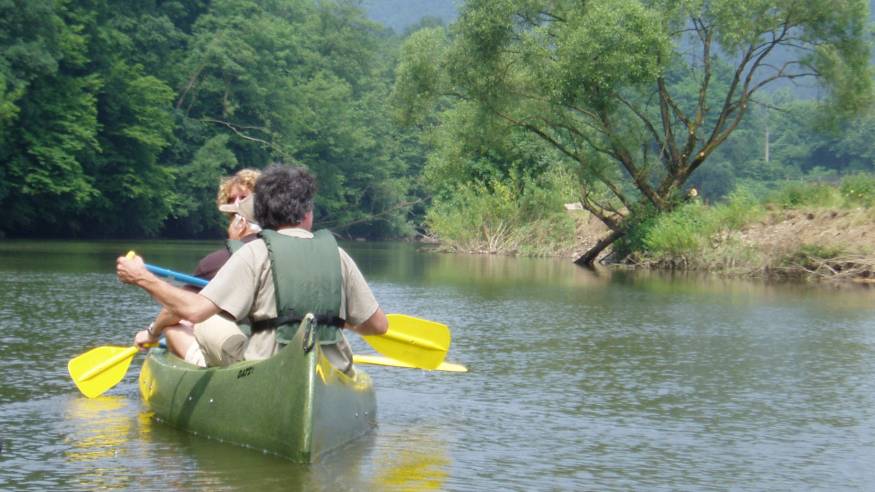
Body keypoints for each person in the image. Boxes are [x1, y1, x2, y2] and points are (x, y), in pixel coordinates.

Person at [118, 164, 388, 369]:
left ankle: (208, 371)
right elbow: (378, 326)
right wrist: (341, 320)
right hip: (328, 366)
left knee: (203, 322)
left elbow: (193, 310)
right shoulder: (338, 255)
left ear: (262, 214)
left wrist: (142, 277)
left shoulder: (253, 253)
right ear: (307, 214)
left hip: (266, 368)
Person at [138, 169, 262, 360]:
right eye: (232, 200)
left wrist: (152, 333)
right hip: (266, 347)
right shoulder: (282, 249)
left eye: (244, 198)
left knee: (172, 324)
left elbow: (177, 309)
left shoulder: (216, 261)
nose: (237, 205)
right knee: (191, 320)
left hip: (240, 353)